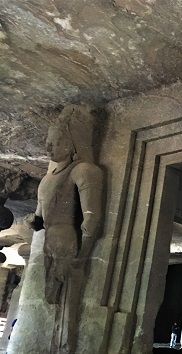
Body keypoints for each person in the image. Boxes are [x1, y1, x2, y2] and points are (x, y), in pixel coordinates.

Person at [26, 104, 103, 352]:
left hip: (69, 240)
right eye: (48, 141)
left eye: (56, 141)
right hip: (50, 239)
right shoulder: (47, 179)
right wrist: (33, 221)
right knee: (50, 296)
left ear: (72, 143)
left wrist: (81, 256)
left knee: (68, 300)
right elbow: (39, 218)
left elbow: (91, 219)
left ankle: (65, 346)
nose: (49, 147)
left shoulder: (84, 170)